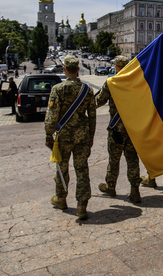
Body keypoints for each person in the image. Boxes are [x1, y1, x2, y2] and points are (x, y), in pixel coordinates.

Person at [44, 55, 96, 221]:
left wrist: (48, 134)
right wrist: (91, 137)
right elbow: (93, 116)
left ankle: (61, 198)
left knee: (62, 168)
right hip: (82, 137)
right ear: (78, 69)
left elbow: (52, 116)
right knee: (82, 170)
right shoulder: (87, 90)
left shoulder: (58, 89)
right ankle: (82, 206)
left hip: (63, 138)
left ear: (65, 69)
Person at [96, 55, 142, 203]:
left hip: (116, 130)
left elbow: (98, 101)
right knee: (132, 159)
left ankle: (111, 186)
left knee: (114, 160)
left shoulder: (111, 82)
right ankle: (135, 191)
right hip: (132, 129)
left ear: (116, 67)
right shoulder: (136, 83)